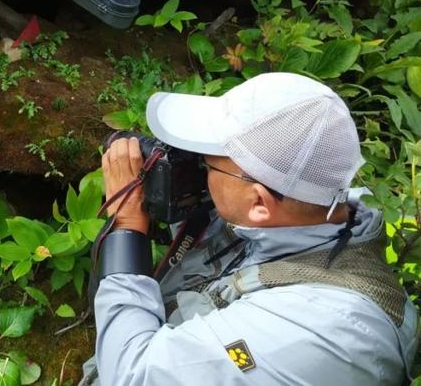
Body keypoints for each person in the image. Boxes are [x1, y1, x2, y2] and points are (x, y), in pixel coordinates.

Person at [82, 72, 418, 385]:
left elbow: (131, 374)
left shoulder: (318, 330)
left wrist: (126, 226)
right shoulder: (315, 213)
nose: (198, 166)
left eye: (207, 162)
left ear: (258, 203)